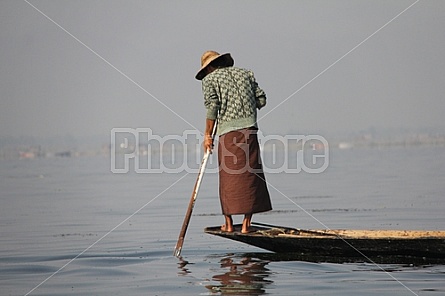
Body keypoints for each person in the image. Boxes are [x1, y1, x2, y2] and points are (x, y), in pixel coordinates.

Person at [196, 50, 272, 233]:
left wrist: (208, 136)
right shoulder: (246, 73)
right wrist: (245, 105)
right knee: (251, 175)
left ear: (209, 68)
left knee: (228, 177)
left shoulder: (209, 80)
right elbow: (261, 99)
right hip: (249, 130)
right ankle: (246, 224)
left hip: (228, 133)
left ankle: (229, 224)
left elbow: (212, 107)